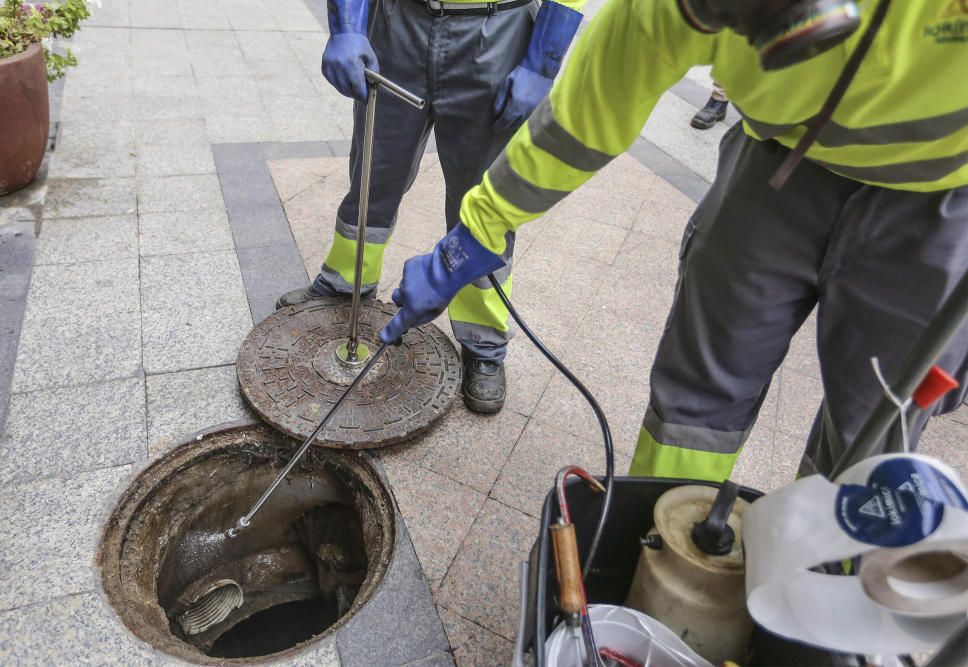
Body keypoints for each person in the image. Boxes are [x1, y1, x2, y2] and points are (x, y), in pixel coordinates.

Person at [379, 0, 968, 481]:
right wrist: (471, 234)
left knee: (876, 426)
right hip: (775, 155)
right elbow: (585, 117)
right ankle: (660, 552)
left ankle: (820, 584)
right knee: (700, 396)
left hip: (943, 194)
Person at [276, 0, 584, 414]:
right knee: (373, 171)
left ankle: (482, 338)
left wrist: (541, 62)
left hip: (498, 31)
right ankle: (345, 279)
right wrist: (347, 24)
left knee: (482, 200)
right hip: (398, 23)